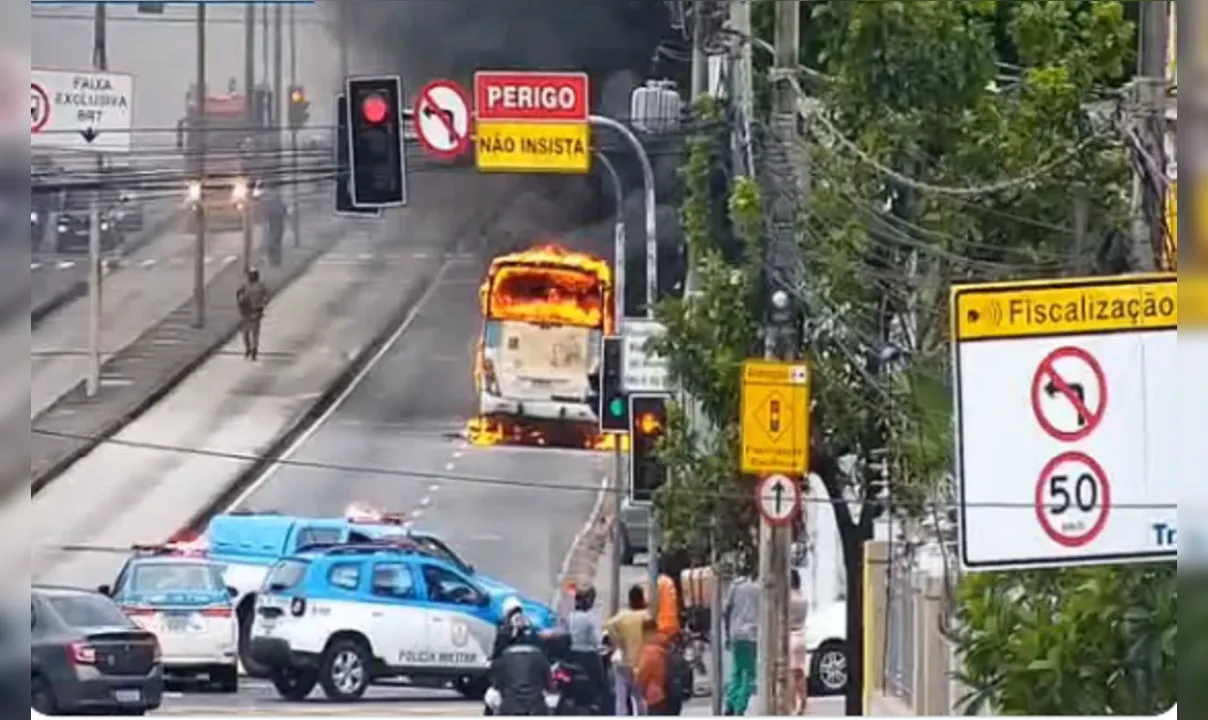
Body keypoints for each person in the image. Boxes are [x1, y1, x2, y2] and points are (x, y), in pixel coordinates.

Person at [722, 568, 761, 716]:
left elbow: (726, 611)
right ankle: (739, 708)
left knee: (737, 672)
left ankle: (730, 703)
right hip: (751, 636)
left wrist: (727, 634)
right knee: (749, 676)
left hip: (736, 634)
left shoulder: (735, 587)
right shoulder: (759, 590)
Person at [606, 584, 649, 715]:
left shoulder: (622, 616)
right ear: (642, 599)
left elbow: (609, 624)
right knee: (641, 698)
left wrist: (618, 641)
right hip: (641, 663)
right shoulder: (646, 616)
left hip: (624, 660)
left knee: (621, 698)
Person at [566, 586, 608, 713]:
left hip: (572, 655)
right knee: (602, 684)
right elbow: (596, 640)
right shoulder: (589, 618)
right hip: (588, 656)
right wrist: (602, 646)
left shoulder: (570, 617)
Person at [634, 617, 669, 715]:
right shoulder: (663, 644)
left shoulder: (650, 650)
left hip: (654, 694)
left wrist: (636, 679)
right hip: (666, 691)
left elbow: (642, 672)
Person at [235, 268, 268, 360]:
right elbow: (266, 297)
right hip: (251, 311)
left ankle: (251, 349)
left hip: (250, 311)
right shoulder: (256, 285)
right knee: (253, 332)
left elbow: (238, 294)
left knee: (249, 332)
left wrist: (240, 301)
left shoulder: (251, 285)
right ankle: (251, 348)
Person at [788, 569, 809, 714]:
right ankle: (803, 702)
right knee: (800, 672)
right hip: (801, 635)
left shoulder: (788, 599)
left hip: (790, 635)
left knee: (790, 673)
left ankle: (791, 704)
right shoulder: (803, 598)